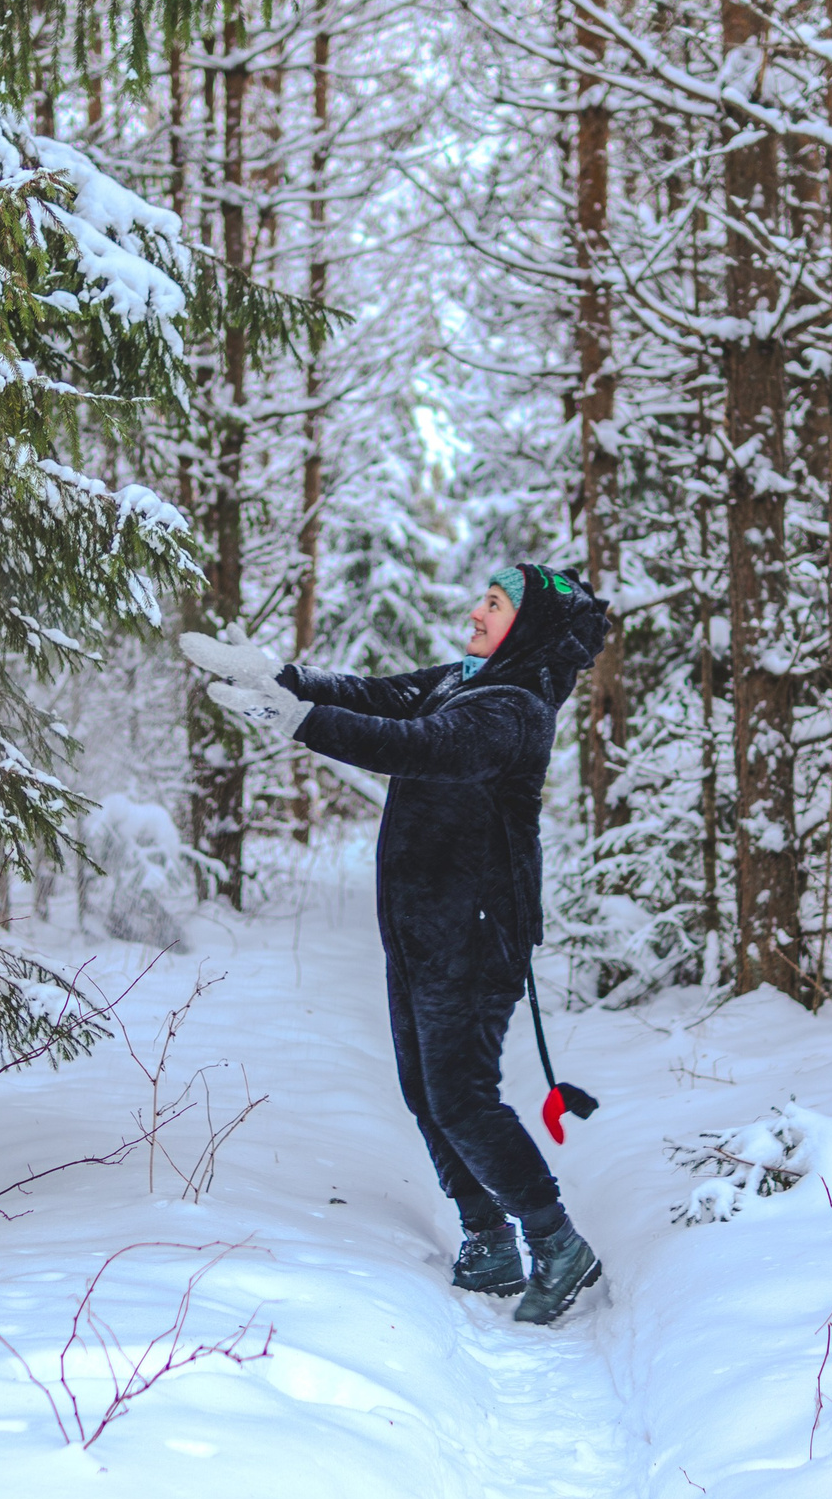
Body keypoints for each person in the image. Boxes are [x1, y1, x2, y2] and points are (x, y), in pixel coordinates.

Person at [181, 563, 609, 1326]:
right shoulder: (470, 679)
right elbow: (382, 695)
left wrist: (299, 720)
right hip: (424, 925)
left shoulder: (511, 708)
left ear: (531, 627)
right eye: (483, 594)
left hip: (476, 935)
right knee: (424, 1088)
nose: (476, 610)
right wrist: (281, 676)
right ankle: (488, 1237)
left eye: (496, 603)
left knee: (462, 1096)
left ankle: (557, 1241)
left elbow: (415, 744)